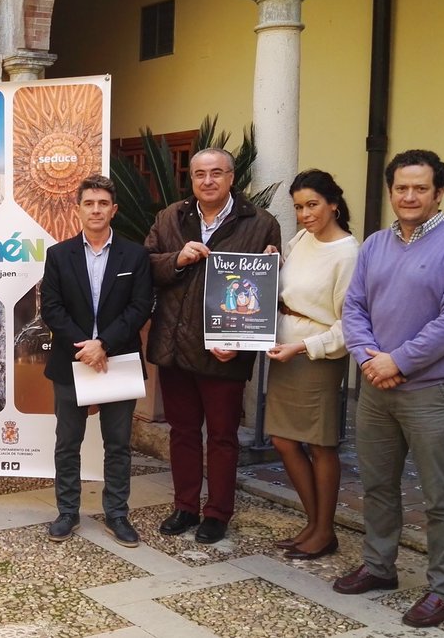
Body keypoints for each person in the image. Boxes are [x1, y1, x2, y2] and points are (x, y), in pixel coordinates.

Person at [334, 150, 444, 628]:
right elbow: (353, 306)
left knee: (441, 496)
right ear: (390, 191)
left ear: (438, 192)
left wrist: (397, 361)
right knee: (378, 485)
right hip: (376, 388)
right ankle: (380, 567)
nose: (409, 196)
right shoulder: (376, 244)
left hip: (431, 392)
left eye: (420, 188)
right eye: (401, 188)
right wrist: (368, 358)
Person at [144, 148, 281, 544]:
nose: (208, 181)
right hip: (174, 345)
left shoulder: (261, 223)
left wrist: (240, 342)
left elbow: (264, 293)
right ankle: (185, 506)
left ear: (232, 178)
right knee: (183, 432)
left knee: (222, 437)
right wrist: (177, 259)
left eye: (217, 173)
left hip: (225, 350)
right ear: (191, 179)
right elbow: (145, 265)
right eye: (200, 174)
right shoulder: (170, 217)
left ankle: (218, 512)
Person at [40, 175, 153, 547]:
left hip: (117, 360)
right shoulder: (58, 255)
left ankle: (117, 514)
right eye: (89, 203)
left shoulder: (134, 255)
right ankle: (67, 512)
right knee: (67, 442)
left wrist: (103, 343)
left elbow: (140, 307)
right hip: (71, 361)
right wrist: (84, 346)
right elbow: (51, 308)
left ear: (113, 209)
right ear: (78, 209)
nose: (96, 210)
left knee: (118, 443)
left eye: (103, 203)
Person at [264, 170, 359, 560]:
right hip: (285, 351)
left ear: (333, 203)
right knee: (284, 440)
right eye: (299, 207)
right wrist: (275, 262)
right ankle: (314, 522)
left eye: (312, 205)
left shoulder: (349, 253)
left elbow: (350, 326)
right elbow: (290, 286)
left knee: (321, 445)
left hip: (316, 358)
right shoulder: (302, 239)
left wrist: (303, 347)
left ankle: (324, 530)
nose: (304, 214)